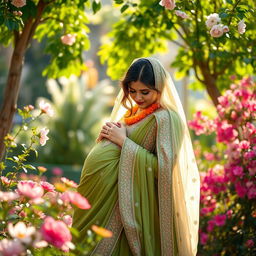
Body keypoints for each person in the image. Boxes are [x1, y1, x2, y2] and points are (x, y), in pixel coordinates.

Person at [72, 57, 200, 256]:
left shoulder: (166, 118)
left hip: (124, 206)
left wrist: (123, 142)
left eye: (145, 92)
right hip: (100, 197)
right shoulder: (135, 111)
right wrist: (110, 133)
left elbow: (165, 170)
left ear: (160, 88)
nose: (138, 97)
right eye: (132, 91)